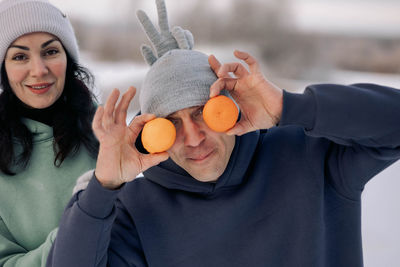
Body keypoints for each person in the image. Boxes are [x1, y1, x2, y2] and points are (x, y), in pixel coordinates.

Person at [47, 0, 400, 266]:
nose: (194, 137)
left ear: (229, 109)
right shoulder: (136, 209)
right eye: (171, 123)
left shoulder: (311, 155)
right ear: (153, 132)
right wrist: (103, 187)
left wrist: (287, 108)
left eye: (203, 113)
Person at [0, 0, 98, 266]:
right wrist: (79, 228)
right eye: (20, 56)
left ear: (68, 59)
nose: (39, 70)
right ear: (3, 69)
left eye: (51, 51)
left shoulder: (104, 127)